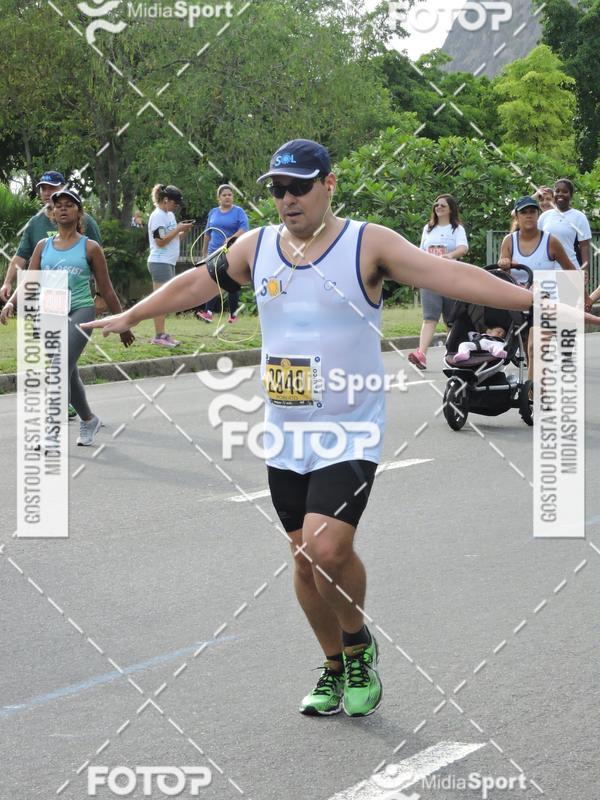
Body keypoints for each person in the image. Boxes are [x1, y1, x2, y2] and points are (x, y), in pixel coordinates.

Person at [83, 139, 580, 719]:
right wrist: (133, 313)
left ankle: (359, 644)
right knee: (302, 559)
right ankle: (333, 664)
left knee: (327, 547)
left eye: (299, 186)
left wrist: (539, 302)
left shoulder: (366, 244)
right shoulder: (257, 246)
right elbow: (197, 283)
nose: (287, 199)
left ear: (329, 184)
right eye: (277, 188)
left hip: (351, 425)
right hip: (287, 427)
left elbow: (451, 276)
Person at [1, 189, 134, 446]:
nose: (62, 209)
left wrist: (123, 322)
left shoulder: (90, 247)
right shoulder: (43, 246)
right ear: (52, 213)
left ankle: (51, 431)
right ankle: (88, 419)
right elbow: (29, 282)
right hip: (50, 310)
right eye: (57, 206)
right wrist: (10, 303)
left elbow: (106, 289)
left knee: (59, 366)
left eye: (69, 205)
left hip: (80, 309)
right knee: (68, 372)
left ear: (79, 212)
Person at [498, 195, 590, 380]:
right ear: (517, 216)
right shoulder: (509, 241)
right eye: (524, 212)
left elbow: (570, 271)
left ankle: (534, 393)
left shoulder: (551, 241)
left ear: (538, 215)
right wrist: (504, 262)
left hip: (544, 300)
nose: (529, 216)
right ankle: (534, 388)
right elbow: (501, 265)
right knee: (527, 350)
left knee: (534, 348)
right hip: (517, 301)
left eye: (532, 211)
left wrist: (585, 297)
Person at [0, 171, 103, 302]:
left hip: (76, 297)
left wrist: (100, 296)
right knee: (40, 323)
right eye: (44, 189)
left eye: (52, 188)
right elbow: (21, 256)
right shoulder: (34, 223)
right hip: (41, 297)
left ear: (64, 188)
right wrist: (7, 282)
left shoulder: (85, 221)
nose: (47, 193)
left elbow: (99, 262)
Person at [408, 194, 469, 370]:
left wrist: (450, 255)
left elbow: (463, 248)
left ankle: (452, 354)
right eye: (436, 204)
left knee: (451, 319)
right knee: (429, 318)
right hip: (429, 277)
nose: (438, 207)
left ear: (451, 208)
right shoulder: (428, 228)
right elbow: (420, 251)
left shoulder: (456, 229)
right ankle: (421, 354)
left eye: (443, 205)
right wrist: (415, 275)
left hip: (450, 277)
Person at [147, 184, 193, 347]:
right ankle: (159, 335)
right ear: (166, 200)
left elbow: (174, 238)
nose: (176, 206)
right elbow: (160, 241)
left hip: (168, 262)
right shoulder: (157, 215)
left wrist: (183, 231)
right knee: (161, 299)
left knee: (165, 300)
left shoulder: (169, 216)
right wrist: (178, 228)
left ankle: (162, 334)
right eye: (175, 203)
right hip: (159, 261)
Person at [196, 184, 249, 324]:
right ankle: (208, 313)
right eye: (224, 195)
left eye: (230, 195)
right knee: (212, 281)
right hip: (214, 251)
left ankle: (233, 315)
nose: (227, 197)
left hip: (232, 251)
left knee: (231, 281)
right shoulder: (213, 212)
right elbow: (207, 233)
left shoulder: (238, 211)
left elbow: (244, 228)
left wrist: (231, 238)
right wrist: (204, 252)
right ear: (219, 198)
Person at [538, 179, 592, 288]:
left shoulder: (579, 217)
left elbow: (584, 246)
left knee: (568, 305)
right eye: (557, 191)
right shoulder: (544, 216)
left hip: (569, 271)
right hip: (545, 271)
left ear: (571, 195)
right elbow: (536, 242)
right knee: (546, 305)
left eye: (565, 191)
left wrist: (585, 269)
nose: (560, 194)